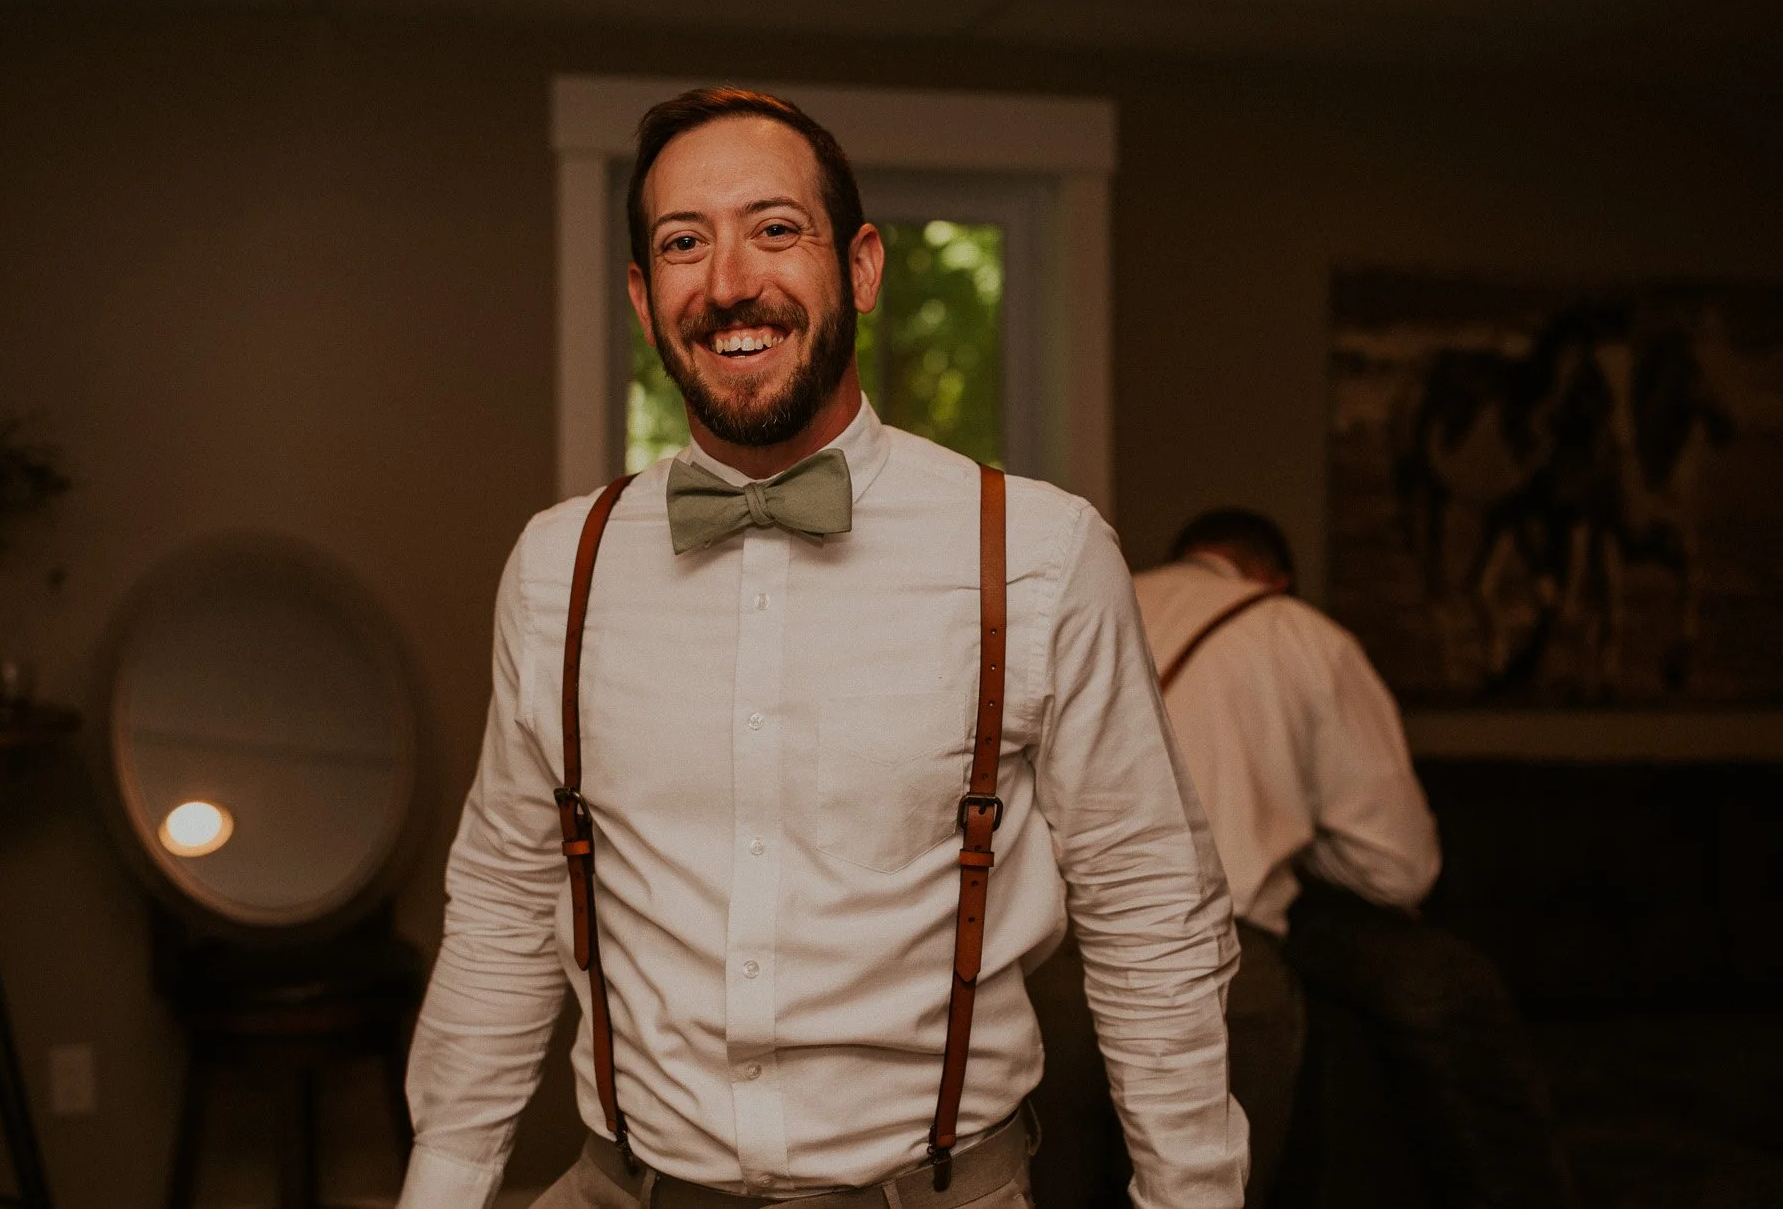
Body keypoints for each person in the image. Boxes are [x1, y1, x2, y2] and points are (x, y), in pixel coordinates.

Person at [396, 88, 1248, 1209]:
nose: (730, 280)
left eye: (774, 228)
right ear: (644, 302)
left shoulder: (1037, 552)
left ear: (859, 268)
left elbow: (1147, 908)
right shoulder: (562, 565)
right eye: (682, 243)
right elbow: (507, 900)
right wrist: (441, 1191)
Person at [1134, 510, 1574, 1209]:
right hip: (1211, 963)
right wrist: (1298, 830)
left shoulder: (1091, 607)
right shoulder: (1300, 635)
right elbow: (1400, 867)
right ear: (1276, 580)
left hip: (1033, 958)